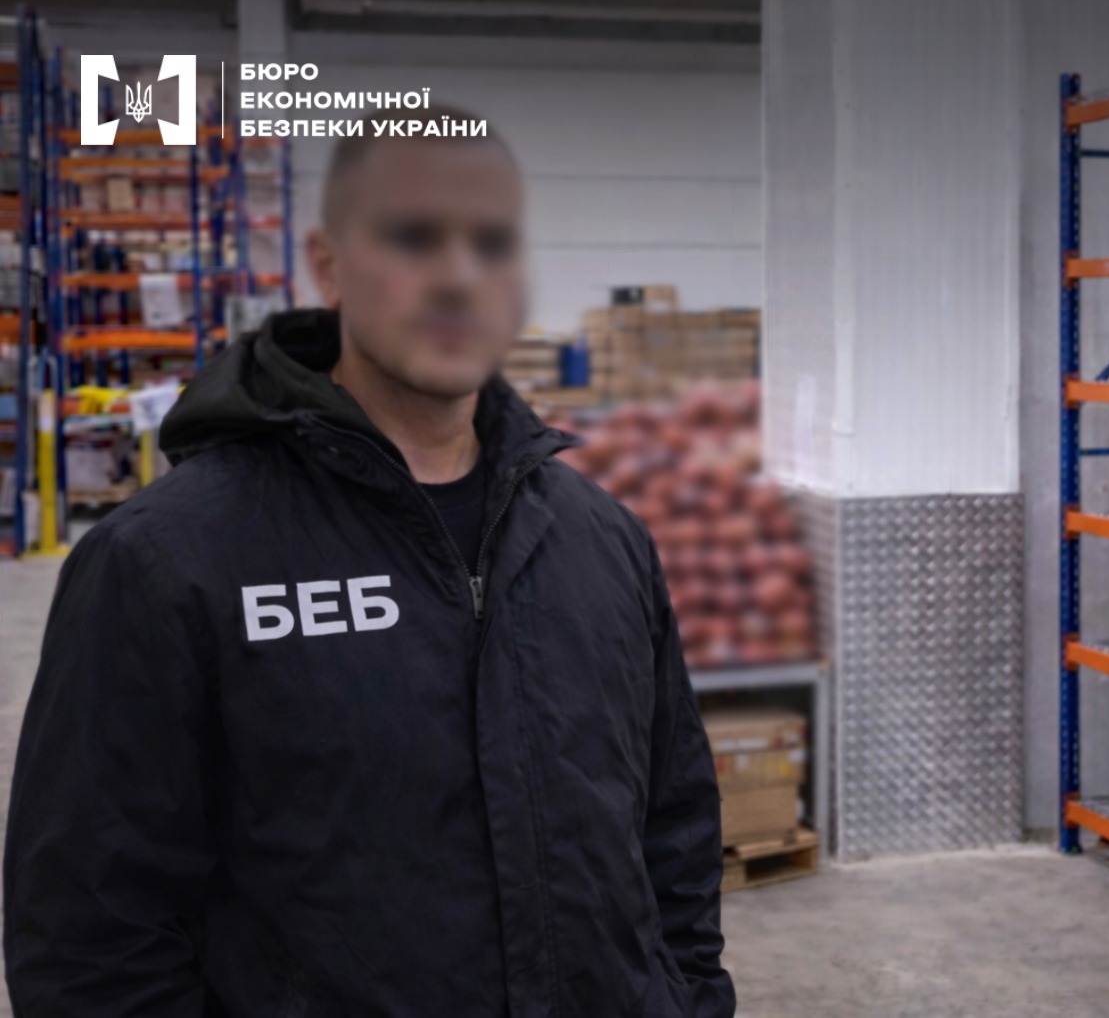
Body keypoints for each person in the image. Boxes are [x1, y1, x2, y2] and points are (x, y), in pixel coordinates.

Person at [3, 103, 736, 1018]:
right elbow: (90, 939)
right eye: (416, 236)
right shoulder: (167, 561)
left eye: (493, 243)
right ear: (327, 264)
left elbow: (674, 830)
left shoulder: (603, 541)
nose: (460, 276)